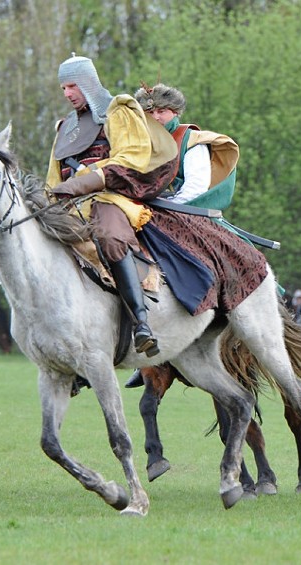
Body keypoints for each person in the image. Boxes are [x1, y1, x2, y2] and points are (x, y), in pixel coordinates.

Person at [46, 55, 180, 357]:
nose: (67, 93)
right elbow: (53, 179)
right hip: (70, 208)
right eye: (63, 88)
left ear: (87, 82)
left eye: (72, 85)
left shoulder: (117, 111)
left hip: (110, 198)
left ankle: (141, 323)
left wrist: (85, 179)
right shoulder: (64, 128)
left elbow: (131, 157)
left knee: (110, 236)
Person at [124, 82, 239, 388]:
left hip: (189, 217)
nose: (155, 117)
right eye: (148, 112)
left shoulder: (192, 141)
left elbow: (194, 190)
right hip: (146, 218)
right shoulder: (137, 142)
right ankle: (141, 337)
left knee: (235, 262)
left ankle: (264, 316)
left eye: (160, 111)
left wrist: (160, 207)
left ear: (174, 112)